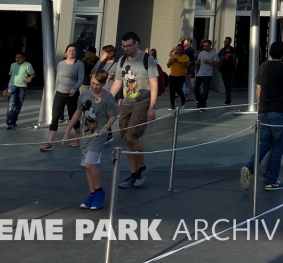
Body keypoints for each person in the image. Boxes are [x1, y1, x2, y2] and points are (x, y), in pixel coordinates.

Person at [240, 41, 283, 192]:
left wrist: (259, 108)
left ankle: (249, 168)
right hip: (278, 112)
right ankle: (271, 181)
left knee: (264, 144)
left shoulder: (263, 66)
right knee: (278, 147)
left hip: (264, 111)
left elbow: (258, 89)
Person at [110, 31, 159, 189]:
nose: (125, 49)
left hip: (142, 102)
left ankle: (143, 168)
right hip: (126, 102)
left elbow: (154, 84)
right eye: (123, 46)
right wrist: (107, 99)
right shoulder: (122, 60)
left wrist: (152, 106)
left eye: (128, 46)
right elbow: (118, 82)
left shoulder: (147, 59)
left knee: (132, 135)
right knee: (126, 138)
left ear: (136, 43)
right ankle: (133, 173)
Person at [67, 70, 119, 211]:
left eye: (98, 84)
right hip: (86, 134)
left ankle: (99, 191)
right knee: (87, 166)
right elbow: (78, 113)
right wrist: (67, 131)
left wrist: (106, 127)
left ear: (103, 84)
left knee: (90, 164)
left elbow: (113, 115)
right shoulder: (84, 95)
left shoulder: (108, 97)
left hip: (98, 135)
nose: (94, 86)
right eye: (93, 83)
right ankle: (92, 193)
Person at [40, 44, 84, 151]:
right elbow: (58, 78)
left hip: (72, 94)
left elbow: (81, 79)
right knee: (55, 117)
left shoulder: (79, 64)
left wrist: (75, 88)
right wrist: (56, 89)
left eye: (73, 51)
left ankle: (77, 138)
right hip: (60, 92)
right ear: (66, 52)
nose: (71, 52)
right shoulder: (60, 64)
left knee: (72, 116)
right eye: (69, 50)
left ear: (76, 52)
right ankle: (49, 142)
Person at [5, 51, 35, 129]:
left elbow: (32, 74)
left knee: (18, 106)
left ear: (24, 58)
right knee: (11, 105)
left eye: (20, 57)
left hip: (22, 87)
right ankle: (9, 122)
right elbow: (11, 75)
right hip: (12, 86)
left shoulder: (28, 65)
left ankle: (14, 120)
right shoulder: (13, 65)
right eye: (16, 57)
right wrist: (9, 86)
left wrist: (30, 78)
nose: (18, 59)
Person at [194, 39, 219, 111]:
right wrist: (197, 62)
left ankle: (203, 105)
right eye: (204, 46)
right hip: (200, 73)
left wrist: (209, 62)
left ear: (210, 45)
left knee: (205, 90)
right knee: (195, 89)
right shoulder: (201, 53)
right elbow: (198, 61)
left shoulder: (214, 54)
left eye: (206, 46)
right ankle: (200, 100)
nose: (204, 47)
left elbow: (216, 65)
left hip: (208, 74)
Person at [166, 41, 191, 110]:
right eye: (177, 49)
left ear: (182, 50)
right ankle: (172, 105)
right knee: (171, 90)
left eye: (180, 49)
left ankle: (183, 98)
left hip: (181, 75)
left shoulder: (185, 57)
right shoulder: (173, 56)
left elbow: (187, 66)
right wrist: (171, 61)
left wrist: (180, 62)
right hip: (172, 75)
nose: (178, 51)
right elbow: (168, 65)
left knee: (178, 88)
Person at [219, 37, 237, 106]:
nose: (225, 42)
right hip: (223, 69)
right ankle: (228, 98)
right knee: (225, 84)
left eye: (227, 41)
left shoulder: (233, 50)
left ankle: (228, 99)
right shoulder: (222, 50)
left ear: (230, 42)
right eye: (225, 41)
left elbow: (236, 58)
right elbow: (219, 58)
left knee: (228, 84)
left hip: (230, 69)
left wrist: (235, 65)